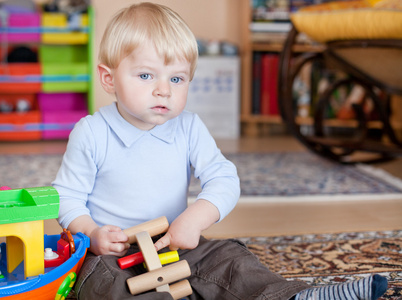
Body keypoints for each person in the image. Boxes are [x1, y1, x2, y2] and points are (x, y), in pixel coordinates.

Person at [53, 2, 388, 299]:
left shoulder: (188, 126)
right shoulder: (92, 132)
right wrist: (93, 233)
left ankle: (291, 297)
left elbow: (224, 177)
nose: (163, 91)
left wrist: (195, 219)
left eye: (177, 79)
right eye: (145, 75)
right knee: (103, 282)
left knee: (229, 258)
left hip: (173, 245)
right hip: (112, 254)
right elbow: (65, 196)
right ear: (109, 79)